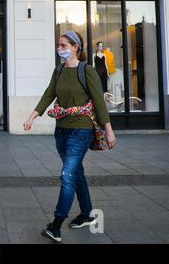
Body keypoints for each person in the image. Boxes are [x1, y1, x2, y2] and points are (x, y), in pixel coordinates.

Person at [23, 31, 116, 243]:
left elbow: (99, 102)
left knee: (67, 175)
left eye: (63, 45)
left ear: (76, 47)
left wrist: (108, 130)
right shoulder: (58, 70)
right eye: (59, 45)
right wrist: (32, 117)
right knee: (77, 173)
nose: (60, 48)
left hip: (81, 130)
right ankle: (86, 213)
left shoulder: (87, 71)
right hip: (61, 129)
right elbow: (49, 94)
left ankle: (56, 225)